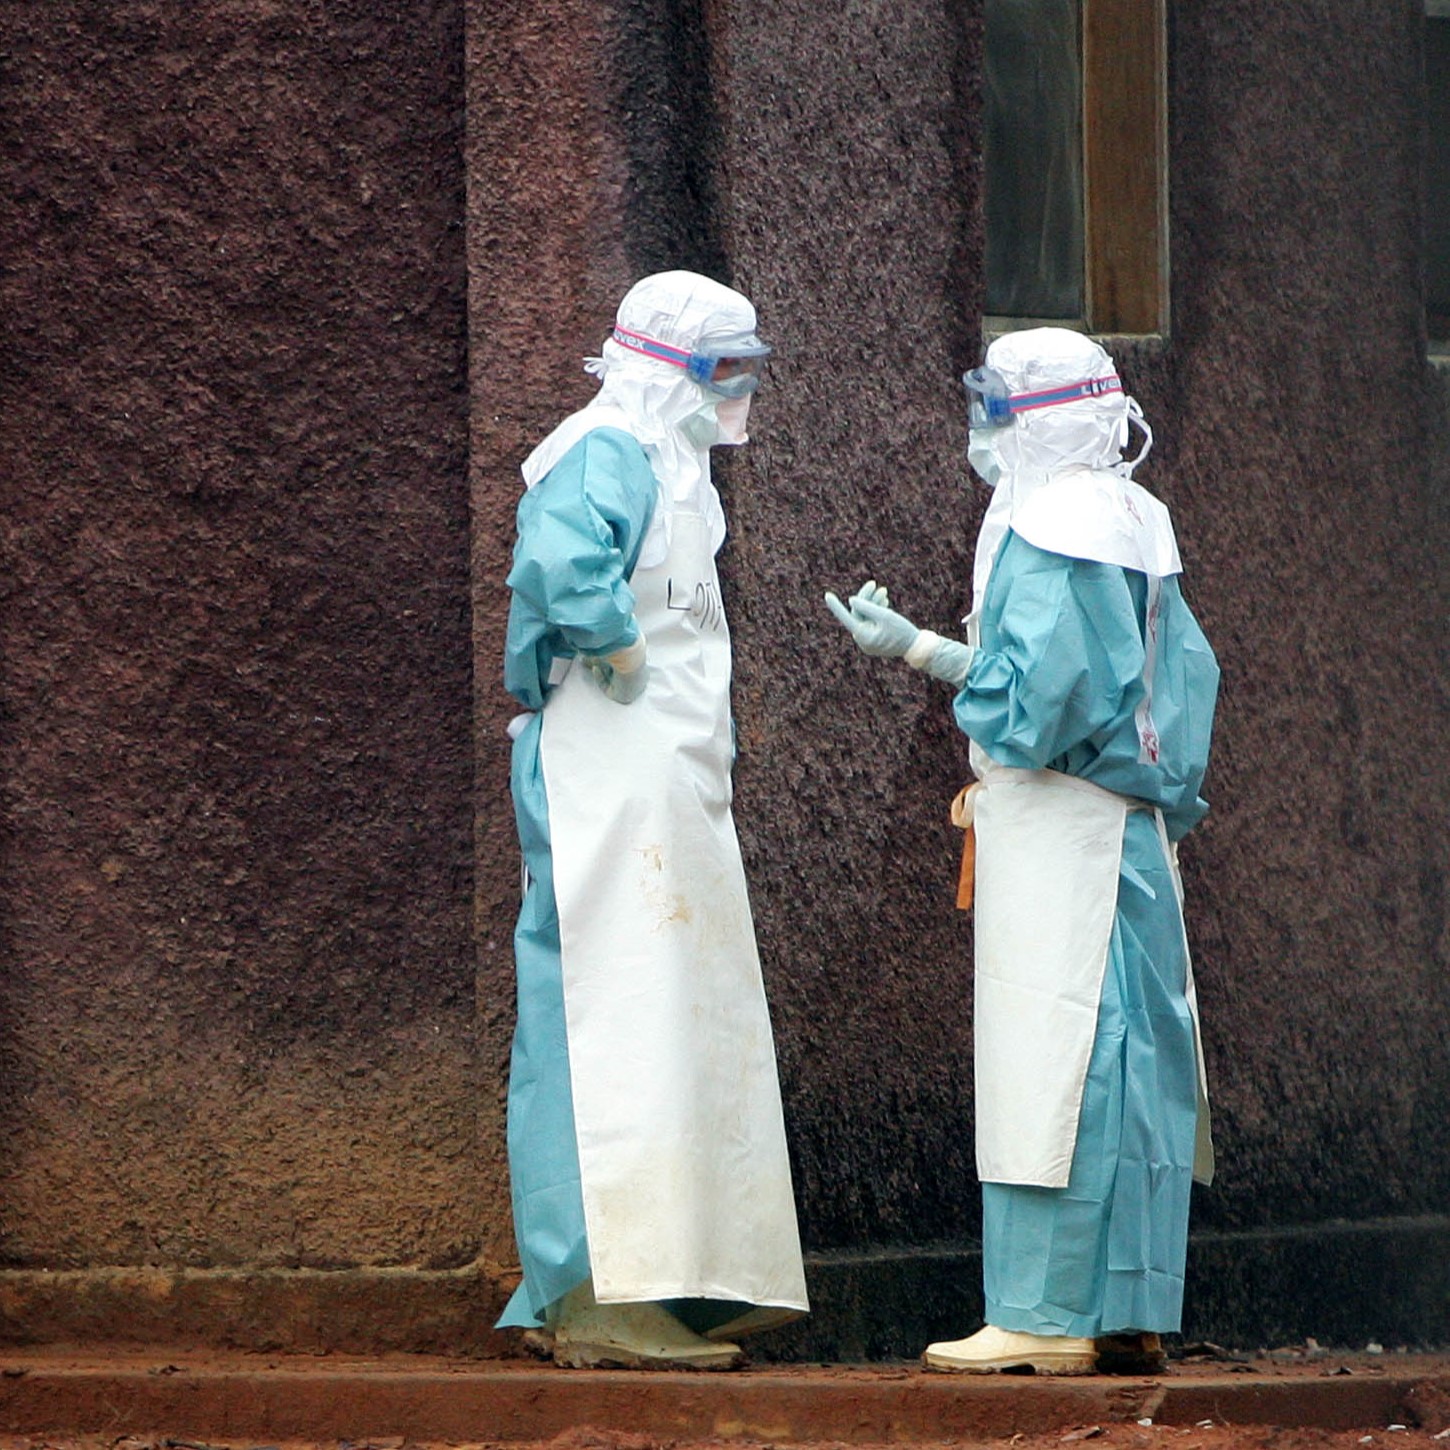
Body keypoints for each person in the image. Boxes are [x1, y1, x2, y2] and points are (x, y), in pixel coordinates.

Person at [826, 327, 1219, 1375]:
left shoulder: (1048, 525)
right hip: (1132, 836)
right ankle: (1126, 1309)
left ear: (1035, 416)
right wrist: (925, 646)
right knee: (1135, 1063)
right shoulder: (1136, 520)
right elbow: (1173, 685)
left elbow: (1030, 700)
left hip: (1054, 830)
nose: (983, 427)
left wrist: (935, 662)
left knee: (1052, 1064)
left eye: (996, 405)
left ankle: (1043, 1318)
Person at [499, 271, 808, 1370]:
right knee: (601, 1014)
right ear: (666, 365)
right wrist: (607, 637)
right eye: (723, 367)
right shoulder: (604, 449)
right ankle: (586, 1286)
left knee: (669, 1014)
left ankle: (663, 1272)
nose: (738, 389)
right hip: (601, 763)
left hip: (660, 774)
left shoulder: (667, 462)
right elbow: (558, 558)